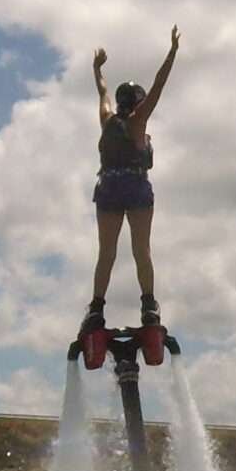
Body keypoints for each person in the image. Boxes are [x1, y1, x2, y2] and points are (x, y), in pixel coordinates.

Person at [85, 27, 179, 334]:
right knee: (142, 249)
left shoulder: (106, 118)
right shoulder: (140, 120)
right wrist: (173, 51)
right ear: (137, 102)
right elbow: (159, 84)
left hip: (109, 186)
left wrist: (97, 68)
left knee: (106, 252)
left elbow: (103, 92)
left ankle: (96, 308)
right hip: (136, 186)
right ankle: (149, 305)